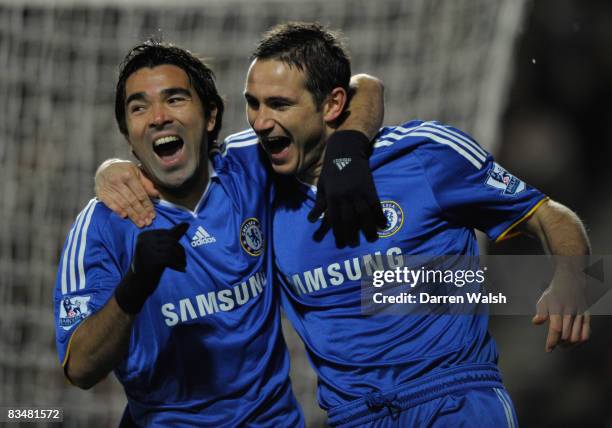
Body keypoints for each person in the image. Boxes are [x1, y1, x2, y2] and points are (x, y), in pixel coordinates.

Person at [98, 23, 591, 427]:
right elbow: (179, 167)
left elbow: (551, 216)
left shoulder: (425, 156)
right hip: (355, 418)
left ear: (332, 105)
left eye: (280, 105)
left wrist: (574, 280)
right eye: (253, 104)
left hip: (456, 402)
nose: (260, 122)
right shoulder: (254, 184)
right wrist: (112, 169)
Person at [54, 39, 384, 427]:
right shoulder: (103, 224)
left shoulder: (252, 165)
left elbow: (365, 88)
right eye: (139, 107)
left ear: (211, 116)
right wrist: (132, 289)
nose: (158, 117)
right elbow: (79, 368)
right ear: (128, 135)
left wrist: (347, 145)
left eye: (175, 99)